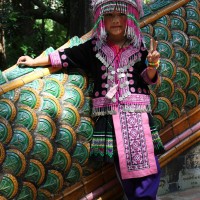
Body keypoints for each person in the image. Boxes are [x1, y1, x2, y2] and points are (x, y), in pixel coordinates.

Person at [17, 0, 162, 199]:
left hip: (138, 117)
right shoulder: (93, 48)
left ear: (129, 18)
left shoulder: (139, 47)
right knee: (125, 170)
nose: (116, 21)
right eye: (109, 16)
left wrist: (152, 66)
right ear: (102, 20)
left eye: (120, 15)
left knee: (148, 168)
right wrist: (34, 61)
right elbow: (65, 56)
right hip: (111, 119)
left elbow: (147, 78)